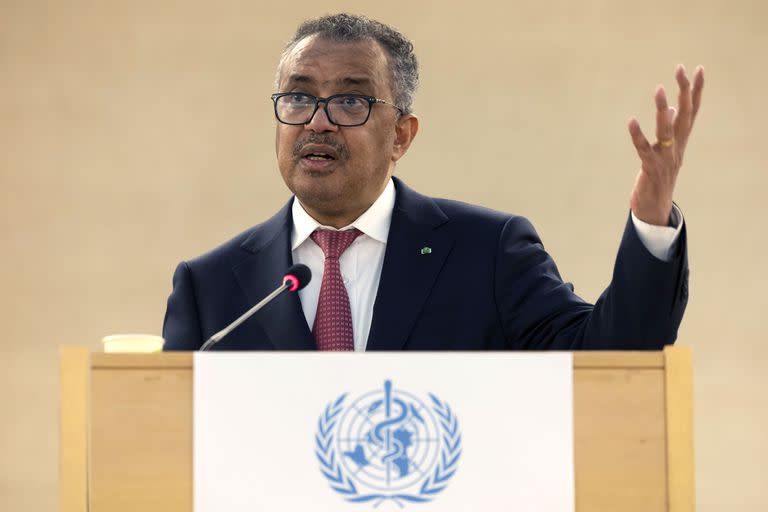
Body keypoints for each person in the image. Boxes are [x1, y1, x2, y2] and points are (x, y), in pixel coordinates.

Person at [162, 13, 704, 351]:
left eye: (350, 99)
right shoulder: (212, 289)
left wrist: (652, 222)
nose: (317, 120)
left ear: (401, 135)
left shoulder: (488, 253)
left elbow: (610, 358)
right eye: (299, 97)